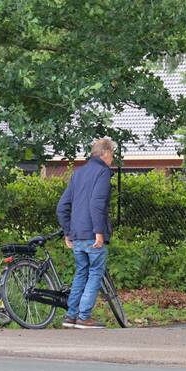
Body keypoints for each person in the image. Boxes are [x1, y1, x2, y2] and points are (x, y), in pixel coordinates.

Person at [56, 137, 116, 329]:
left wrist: (68, 232)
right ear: (105, 153)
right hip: (92, 234)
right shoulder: (102, 172)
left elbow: (62, 207)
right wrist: (99, 231)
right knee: (95, 273)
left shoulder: (78, 173)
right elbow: (97, 203)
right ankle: (84, 317)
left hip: (77, 235)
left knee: (81, 273)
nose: (112, 158)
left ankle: (71, 316)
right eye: (112, 154)